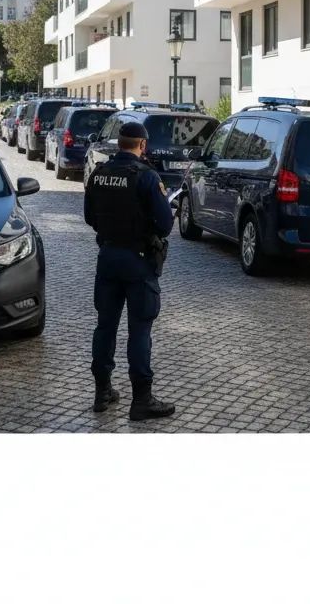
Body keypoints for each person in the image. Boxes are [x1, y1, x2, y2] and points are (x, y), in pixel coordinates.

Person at [84, 120, 175, 421]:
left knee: (105, 326)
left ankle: (102, 392)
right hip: (138, 262)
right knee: (139, 330)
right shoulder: (147, 177)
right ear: (142, 146)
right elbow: (165, 224)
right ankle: (142, 400)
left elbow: (89, 216)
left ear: (118, 143)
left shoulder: (100, 173)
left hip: (107, 258)